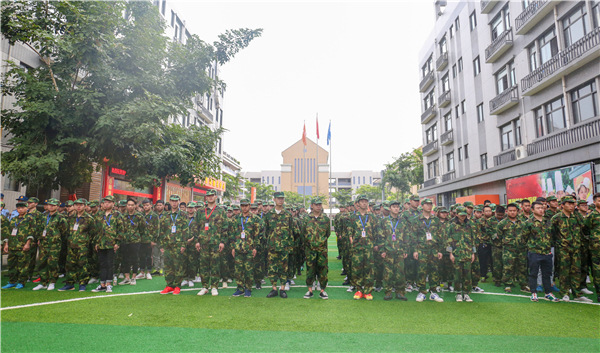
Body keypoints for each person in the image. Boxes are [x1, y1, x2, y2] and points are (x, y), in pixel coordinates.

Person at [550, 196, 592, 302]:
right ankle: (565, 293)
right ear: (562, 205)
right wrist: (558, 244)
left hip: (576, 249)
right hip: (563, 250)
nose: (571, 205)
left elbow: (584, 229)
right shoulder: (556, 218)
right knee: (564, 272)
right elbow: (551, 234)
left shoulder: (576, 217)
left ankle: (577, 294)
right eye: (568, 203)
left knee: (576, 271)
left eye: (573, 204)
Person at [521, 201, 560, 302]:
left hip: (547, 252)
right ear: (532, 210)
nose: (541, 210)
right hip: (534, 252)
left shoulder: (548, 221)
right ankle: (534, 293)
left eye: (542, 208)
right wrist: (531, 248)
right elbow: (524, 237)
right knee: (533, 273)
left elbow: (552, 235)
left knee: (547, 274)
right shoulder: (528, 222)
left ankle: (548, 293)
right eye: (538, 208)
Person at [263, 191, 296, 299]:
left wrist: (290, 246)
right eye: (278, 198)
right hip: (272, 246)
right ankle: (274, 288)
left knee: (283, 268)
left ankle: (282, 288)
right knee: (272, 268)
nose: (280, 200)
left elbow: (292, 231)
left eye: (282, 198)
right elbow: (265, 231)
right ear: (274, 200)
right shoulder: (268, 215)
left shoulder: (288, 214)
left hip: (284, 246)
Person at [348, 194, 381, 301]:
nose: (364, 203)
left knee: (369, 269)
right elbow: (350, 232)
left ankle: (368, 291)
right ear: (358, 203)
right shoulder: (353, 217)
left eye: (366, 201)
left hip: (369, 247)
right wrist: (352, 243)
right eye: (362, 201)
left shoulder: (372, 217)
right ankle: (358, 290)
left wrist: (375, 244)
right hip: (357, 247)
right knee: (357, 268)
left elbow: (376, 231)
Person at [58, 198, 96, 292]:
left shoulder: (89, 218)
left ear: (85, 206)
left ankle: (82, 284)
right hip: (71, 245)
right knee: (70, 265)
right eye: (76, 205)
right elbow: (66, 231)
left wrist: (85, 241)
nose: (78, 207)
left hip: (83, 246)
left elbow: (93, 233)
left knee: (82, 265)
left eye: (81, 205)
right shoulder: (70, 217)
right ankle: (69, 283)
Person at [194, 190, 226, 296]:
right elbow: (196, 227)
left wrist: (222, 242)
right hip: (203, 243)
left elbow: (225, 228)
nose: (210, 197)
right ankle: (204, 287)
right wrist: (197, 241)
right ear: (206, 198)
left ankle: (214, 287)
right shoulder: (200, 211)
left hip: (216, 242)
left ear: (215, 197)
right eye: (208, 196)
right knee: (203, 265)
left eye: (212, 195)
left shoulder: (221, 211)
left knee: (215, 265)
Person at [32, 198, 69, 291]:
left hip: (54, 245)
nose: (51, 206)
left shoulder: (61, 217)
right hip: (44, 243)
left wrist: (57, 239)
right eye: (49, 205)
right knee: (42, 263)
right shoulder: (43, 216)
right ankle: (43, 282)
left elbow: (64, 232)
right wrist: (39, 238)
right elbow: (40, 228)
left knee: (52, 264)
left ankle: (52, 282)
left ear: (57, 206)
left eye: (53, 205)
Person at [412, 198, 443, 302]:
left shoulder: (436, 220)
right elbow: (413, 236)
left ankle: (433, 292)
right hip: (421, 249)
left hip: (433, 249)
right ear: (422, 206)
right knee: (421, 271)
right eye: (427, 204)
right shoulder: (417, 220)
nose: (429, 206)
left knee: (434, 270)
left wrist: (439, 250)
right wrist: (415, 250)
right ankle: (422, 292)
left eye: (431, 204)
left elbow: (440, 236)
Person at [91, 195, 122, 293]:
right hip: (101, 243)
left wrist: (117, 242)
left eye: (109, 202)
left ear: (113, 204)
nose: (106, 204)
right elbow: (96, 230)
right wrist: (96, 242)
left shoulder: (117, 214)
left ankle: (109, 284)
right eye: (105, 202)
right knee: (102, 264)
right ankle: (102, 284)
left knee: (110, 264)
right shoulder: (99, 214)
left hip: (112, 244)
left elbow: (121, 230)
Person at [159, 194, 189, 295]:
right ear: (170, 202)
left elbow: (186, 231)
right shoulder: (165, 215)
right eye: (172, 201)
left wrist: (184, 244)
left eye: (176, 201)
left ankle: (177, 286)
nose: (174, 203)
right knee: (168, 266)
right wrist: (162, 245)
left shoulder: (183, 214)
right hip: (167, 244)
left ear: (179, 202)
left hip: (178, 244)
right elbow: (161, 231)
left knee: (178, 266)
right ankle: (169, 285)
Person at [2, 201, 35, 289]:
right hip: (12, 245)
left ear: (26, 208)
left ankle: (21, 282)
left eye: (22, 207)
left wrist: (28, 244)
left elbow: (32, 232)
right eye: (18, 208)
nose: (20, 209)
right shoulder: (14, 219)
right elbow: (8, 232)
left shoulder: (30, 218)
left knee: (23, 265)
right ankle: (12, 281)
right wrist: (6, 244)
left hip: (23, 246)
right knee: (12, 265)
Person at [446, 206, 476, 302]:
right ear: (456, 214)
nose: (463, 216)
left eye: (464, 214)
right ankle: (458, 293)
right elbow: (449, 240)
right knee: (457, 275)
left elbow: (472, 239)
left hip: (467, 254)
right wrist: (450, 253)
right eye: (461, 214)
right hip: (457, 254)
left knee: (467, 275)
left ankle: (466, 293)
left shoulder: (469, 225)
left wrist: (473, 253)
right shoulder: (452, 226)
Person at [302, 197, 330, 300]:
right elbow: (303, 233)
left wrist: (320, 242)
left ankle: (322, 290)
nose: (318, 206)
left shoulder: (326, 219)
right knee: (310, 270)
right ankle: (310, 290)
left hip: (322, 250)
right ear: (312, 206)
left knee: (323, 270)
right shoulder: (306, 218)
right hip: (310, 250)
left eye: (320, 204)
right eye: (316, 204)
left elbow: (328, 234)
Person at [497, 203, 528, 293]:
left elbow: (526, 234)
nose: (512, 212)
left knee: (523, 267)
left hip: (522, 249)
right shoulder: (502, 223)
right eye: (510, 211)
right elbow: (499, 235)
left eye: (514, 211)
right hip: (508, 249)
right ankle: (508, 285)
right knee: (508, 267)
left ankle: (524, 285)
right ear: (507, 211)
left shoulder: (523, 222)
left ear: (517, 211)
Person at [231, 199, 259, 298]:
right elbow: (232, 233)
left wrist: (255, 247)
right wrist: (233, 247)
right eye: (242, 206)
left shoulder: (255, 219)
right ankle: (240, 288)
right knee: (238, 270)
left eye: (246, 205)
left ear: (249, 206)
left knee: (249, 270)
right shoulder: (236, 218)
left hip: (249, 248)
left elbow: (258, 234)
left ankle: (248, 288)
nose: (244, 207)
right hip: (238, 248)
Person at [380, 200, 407, 301]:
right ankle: (388, 292)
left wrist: (405, 249)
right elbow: (381, 236)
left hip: (400, 251)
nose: (396, 208)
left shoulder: (403, 221)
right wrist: (382, 250)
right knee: (388, 273)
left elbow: (406, 236)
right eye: (394, 207)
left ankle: (400, 292)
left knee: (400, 273)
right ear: (390, 208)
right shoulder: (384, 221)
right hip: (388, 251)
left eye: (397, 207)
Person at [119, 199, 144, 285]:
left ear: (135, 206)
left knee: (135, 259)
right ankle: (127, 278)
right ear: (126, 206)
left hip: (135, 241)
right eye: (129, 205)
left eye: (132, 205)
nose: (130, 206)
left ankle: (133, 277)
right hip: (125, 240)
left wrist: (137, 236)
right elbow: (120, 228)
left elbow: (142, 229)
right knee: (125, 259)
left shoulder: (139, 216)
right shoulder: (122, 216)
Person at [584, 193, 600, 303]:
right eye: (599, 200)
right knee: (597, 271)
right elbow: (585, 230)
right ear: (594, 202)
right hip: (596, 248)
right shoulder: (591, 216)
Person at [139, 199, 158, 280]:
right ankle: (142, 272)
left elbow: (157, 229)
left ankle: (148, 272)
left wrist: (154, 240)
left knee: (149, 256)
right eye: (144, 205)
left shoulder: (154, 216)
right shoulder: (140, 215)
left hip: (150, 240)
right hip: (141, 239)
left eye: (147, 205)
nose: (146, 207)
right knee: (141, 256)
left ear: (151, 205)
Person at [151, 200, 166, 276]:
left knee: (162, 254)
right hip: (155, 237)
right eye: (157, 205)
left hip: (163, 237)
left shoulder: (166, 215)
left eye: (160, 205)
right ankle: (156, 268)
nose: (158, 207)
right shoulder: (153, 215)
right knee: (155, 253)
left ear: (163, 206)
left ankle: (161, 269)